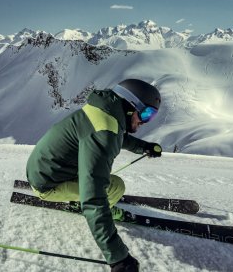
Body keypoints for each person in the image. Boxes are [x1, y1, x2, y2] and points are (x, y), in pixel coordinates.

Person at [26, 79, 163, 272]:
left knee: (107, 182)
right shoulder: (104, 132)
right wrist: (118, 258)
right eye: (147, 113)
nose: (145, 121)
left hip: (44, 169)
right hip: (47, 184)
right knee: (115, 187)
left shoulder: (103, 112)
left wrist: (144, 147)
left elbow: (118, 135)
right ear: (131, 106)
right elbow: (94, 199)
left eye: (152, 115)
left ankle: (79, 199)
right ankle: (93, 208)